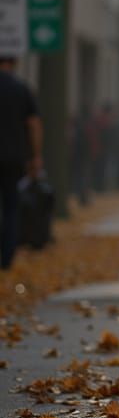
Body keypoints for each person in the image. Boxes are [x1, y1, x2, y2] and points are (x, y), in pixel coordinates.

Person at [0, 58, 43, 270]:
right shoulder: (21, 89)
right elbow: (34, 124)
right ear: (14, 62)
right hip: (14, 157)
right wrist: (35, 156)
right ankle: (6, 258)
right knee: (11, 206)